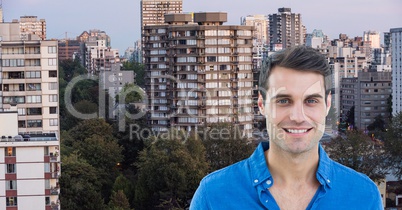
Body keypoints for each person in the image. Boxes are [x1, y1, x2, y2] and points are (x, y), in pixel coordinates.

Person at [190, 46, 383, 209]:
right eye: (283, 100)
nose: (297, 117)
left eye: (311, 101)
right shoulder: (213, 196)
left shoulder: (363, 196)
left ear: (327, 104)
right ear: (261, 105)